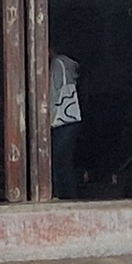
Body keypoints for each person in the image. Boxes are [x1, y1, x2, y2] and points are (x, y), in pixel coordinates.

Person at [47, 46, 83, 200]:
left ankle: (63, 195)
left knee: (59, 160)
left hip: (62, 120)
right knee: (65, 160)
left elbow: (54, 90)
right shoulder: (69, 63)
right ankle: (69, 195)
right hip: (70, 119)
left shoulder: (58, 63)